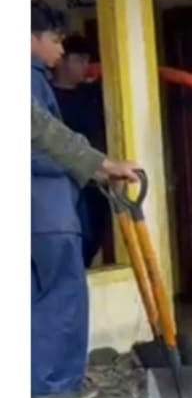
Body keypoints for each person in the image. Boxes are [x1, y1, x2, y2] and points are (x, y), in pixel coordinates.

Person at [31, 3, 94, 398]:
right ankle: (54, 385)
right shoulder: (30, 81)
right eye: (55, 40)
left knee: (37, 297)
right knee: (64, 294)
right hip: (46, 210)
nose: (59, 50)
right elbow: (36, 143)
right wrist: (89, 163)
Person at [51, 36, 110, 268]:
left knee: (94, 234)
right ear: (62, 61)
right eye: (79, 60)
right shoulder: (45, 96)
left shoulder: (93, 93)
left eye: (88, 60)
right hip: (62, 181)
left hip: (95, 181)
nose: (85, 66)